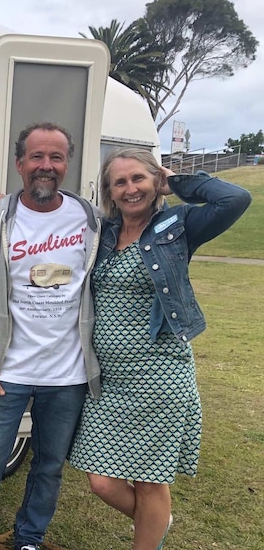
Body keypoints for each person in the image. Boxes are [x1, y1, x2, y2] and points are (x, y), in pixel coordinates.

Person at [67, 148, 252, 549]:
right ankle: (156, 523)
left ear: (155, 183)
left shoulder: (179, 224)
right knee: (101, 480)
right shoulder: (105, 232)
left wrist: (179, 182)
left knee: (150, 481)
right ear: (109, 192)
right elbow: (53, 220)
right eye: (120, 182)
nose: (130, 188)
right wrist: (1, 205)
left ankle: (147, 539)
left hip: (160, 375)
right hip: (110, 381)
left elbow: (235, 199)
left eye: (139, 178)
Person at [0, 122, 103, 550]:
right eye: (37, 157)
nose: (46, 166)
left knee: (49, 465)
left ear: (67, 164)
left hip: (68, 373)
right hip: (8, 370)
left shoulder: (91, 219)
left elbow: (141, 210)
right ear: (20, 164)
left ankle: (29, 538)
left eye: (56, 157)